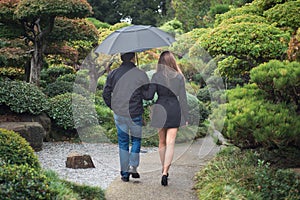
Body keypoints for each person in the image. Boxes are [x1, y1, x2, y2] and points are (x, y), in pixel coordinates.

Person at [102, 52, 149, 182]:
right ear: (133, 58)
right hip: (135, 112)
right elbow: (147, 96)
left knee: (123, 142)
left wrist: (112, 106)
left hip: (120, 113)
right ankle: (133, 166)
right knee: (136, 140)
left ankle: (124, 173)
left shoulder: (113, 74)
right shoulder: (140, 74)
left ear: (121, 58)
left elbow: (105, 93)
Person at [144, 51, 189, 186]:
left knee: (162, 142)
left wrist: (143, 88)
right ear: (172, 62)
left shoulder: (156, 76)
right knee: (171, 143)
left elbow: (149, 96)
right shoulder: (179, 77)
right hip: (174, 109)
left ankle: (163, 167)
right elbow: (183, 99)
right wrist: (185, 116)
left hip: (160, 109)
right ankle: (165, 172)